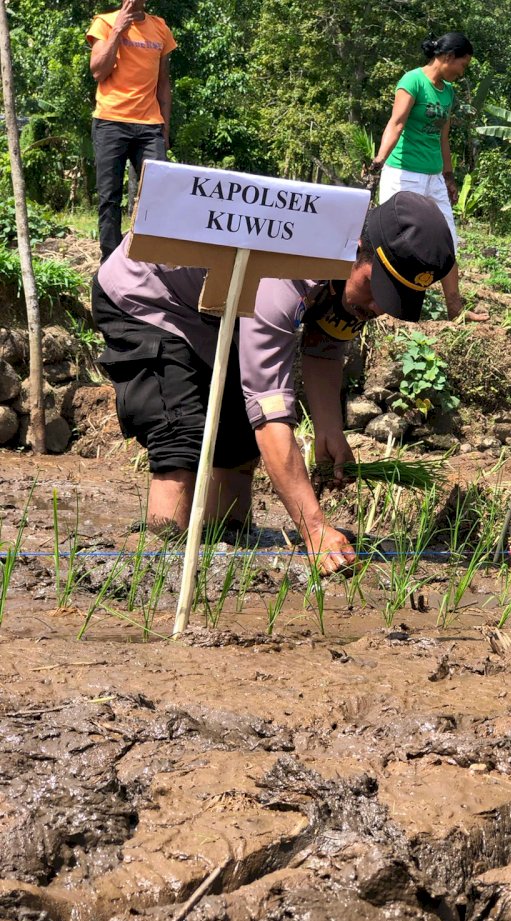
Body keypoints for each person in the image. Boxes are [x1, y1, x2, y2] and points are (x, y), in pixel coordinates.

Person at [91, 191, 455, 575]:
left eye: (392, 299)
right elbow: (269, 414)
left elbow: (325, 345)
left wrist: (331, 431)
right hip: (149, 299)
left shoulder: (353, 284)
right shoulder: (288, 268)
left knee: (237, 438)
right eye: (377, 289)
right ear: (357, 249)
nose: (378, 307)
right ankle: (156, 572)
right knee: (183, 432)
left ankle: (227, 550)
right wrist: (313, 529)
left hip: (219, 312)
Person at [368, 32, 488, 323]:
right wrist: (378, 162)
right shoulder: (412, 81)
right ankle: (384, 307)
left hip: (433, 175)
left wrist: (448, 176)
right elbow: (395, 124)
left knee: (447, 241)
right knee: (394, 242)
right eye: (462, 64)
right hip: (403, 173)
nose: (463, 71)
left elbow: (443, 137)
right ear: (447, 57)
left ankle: (455, 309)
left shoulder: (448, 92)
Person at [87, 0, 176, 261]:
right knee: (109, 198)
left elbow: (163, 84)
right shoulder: (103, 23)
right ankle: (111, 264)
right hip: (110, 122)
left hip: (150, 126)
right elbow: (98, 71)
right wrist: (118, 30)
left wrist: (164, 130)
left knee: (157, 194)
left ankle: (150, 260)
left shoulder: (160, 28)